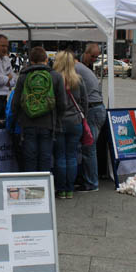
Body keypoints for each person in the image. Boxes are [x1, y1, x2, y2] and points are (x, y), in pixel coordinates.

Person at [11, 46, 66, 172]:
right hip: (48, 124)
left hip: (28, 122)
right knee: (45, 157)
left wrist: (17, 119)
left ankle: (31, 187)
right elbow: (62, 103)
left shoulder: (24, 76)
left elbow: (16, 102)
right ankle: (44, 188)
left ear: (30, 60)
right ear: (46, 59)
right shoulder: (56, 76)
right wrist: (58, 119)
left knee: (30, 157)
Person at [53, 51, 87, 199]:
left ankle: (61, 189)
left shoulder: (54, 79)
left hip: (59, 122)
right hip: (75, 122)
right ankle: (70, 189)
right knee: (72, 156)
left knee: (60, 156)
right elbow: (85, 102)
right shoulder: (78, 80)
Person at [75, 43, 105, 192]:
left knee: (88, 148)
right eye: (93, 56)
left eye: (96, 57)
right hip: (97, 109)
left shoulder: (77, 68)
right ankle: (88, 178)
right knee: (88, 147)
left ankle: (91, 183)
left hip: (93, 110)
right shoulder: (83, 68)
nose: (94, 59)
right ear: (85, 53)